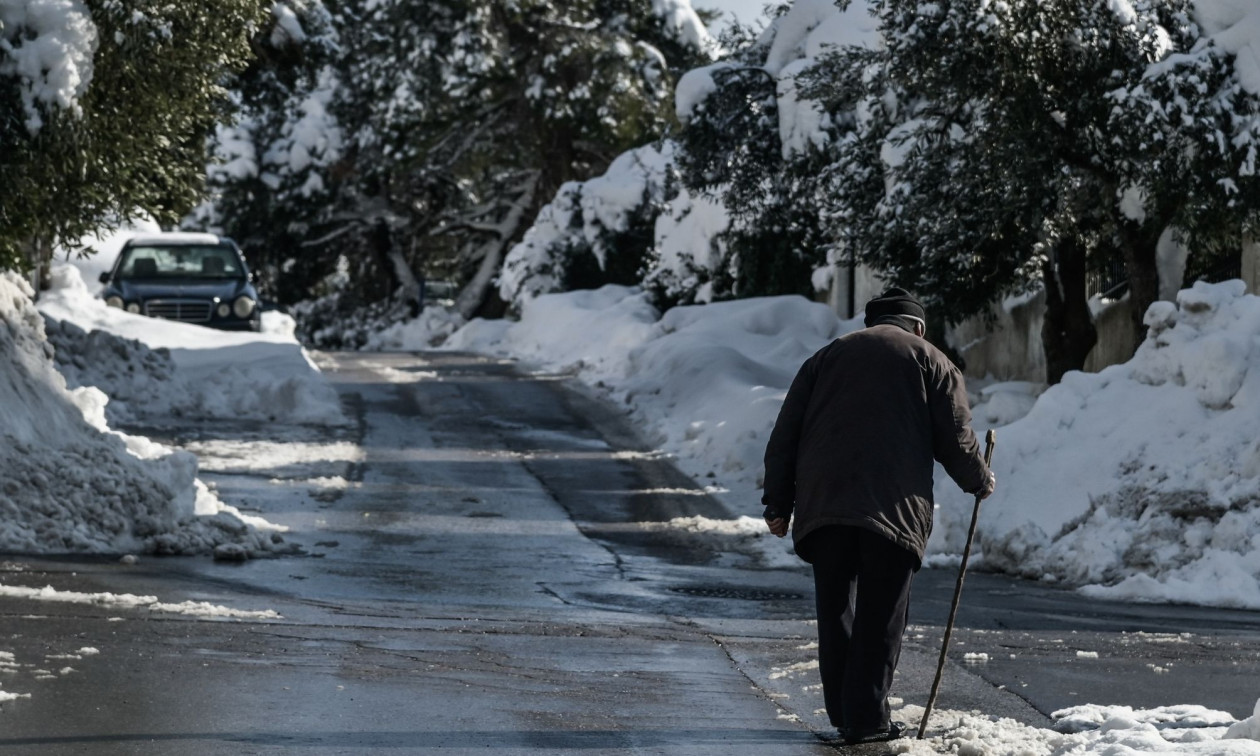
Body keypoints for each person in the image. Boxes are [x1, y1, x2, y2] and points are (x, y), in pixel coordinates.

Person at [761, 287, 995, 745]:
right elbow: (955, 437)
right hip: (893, 510)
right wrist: (979, 479)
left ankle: (845, 714)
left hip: (825, 504)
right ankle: (867, 720)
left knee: (836, 611)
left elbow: (785, 432)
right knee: (881, 613)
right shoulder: (932, 360)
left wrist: (778, 503)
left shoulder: (826, 358)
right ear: (919, 326)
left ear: (870, 322)